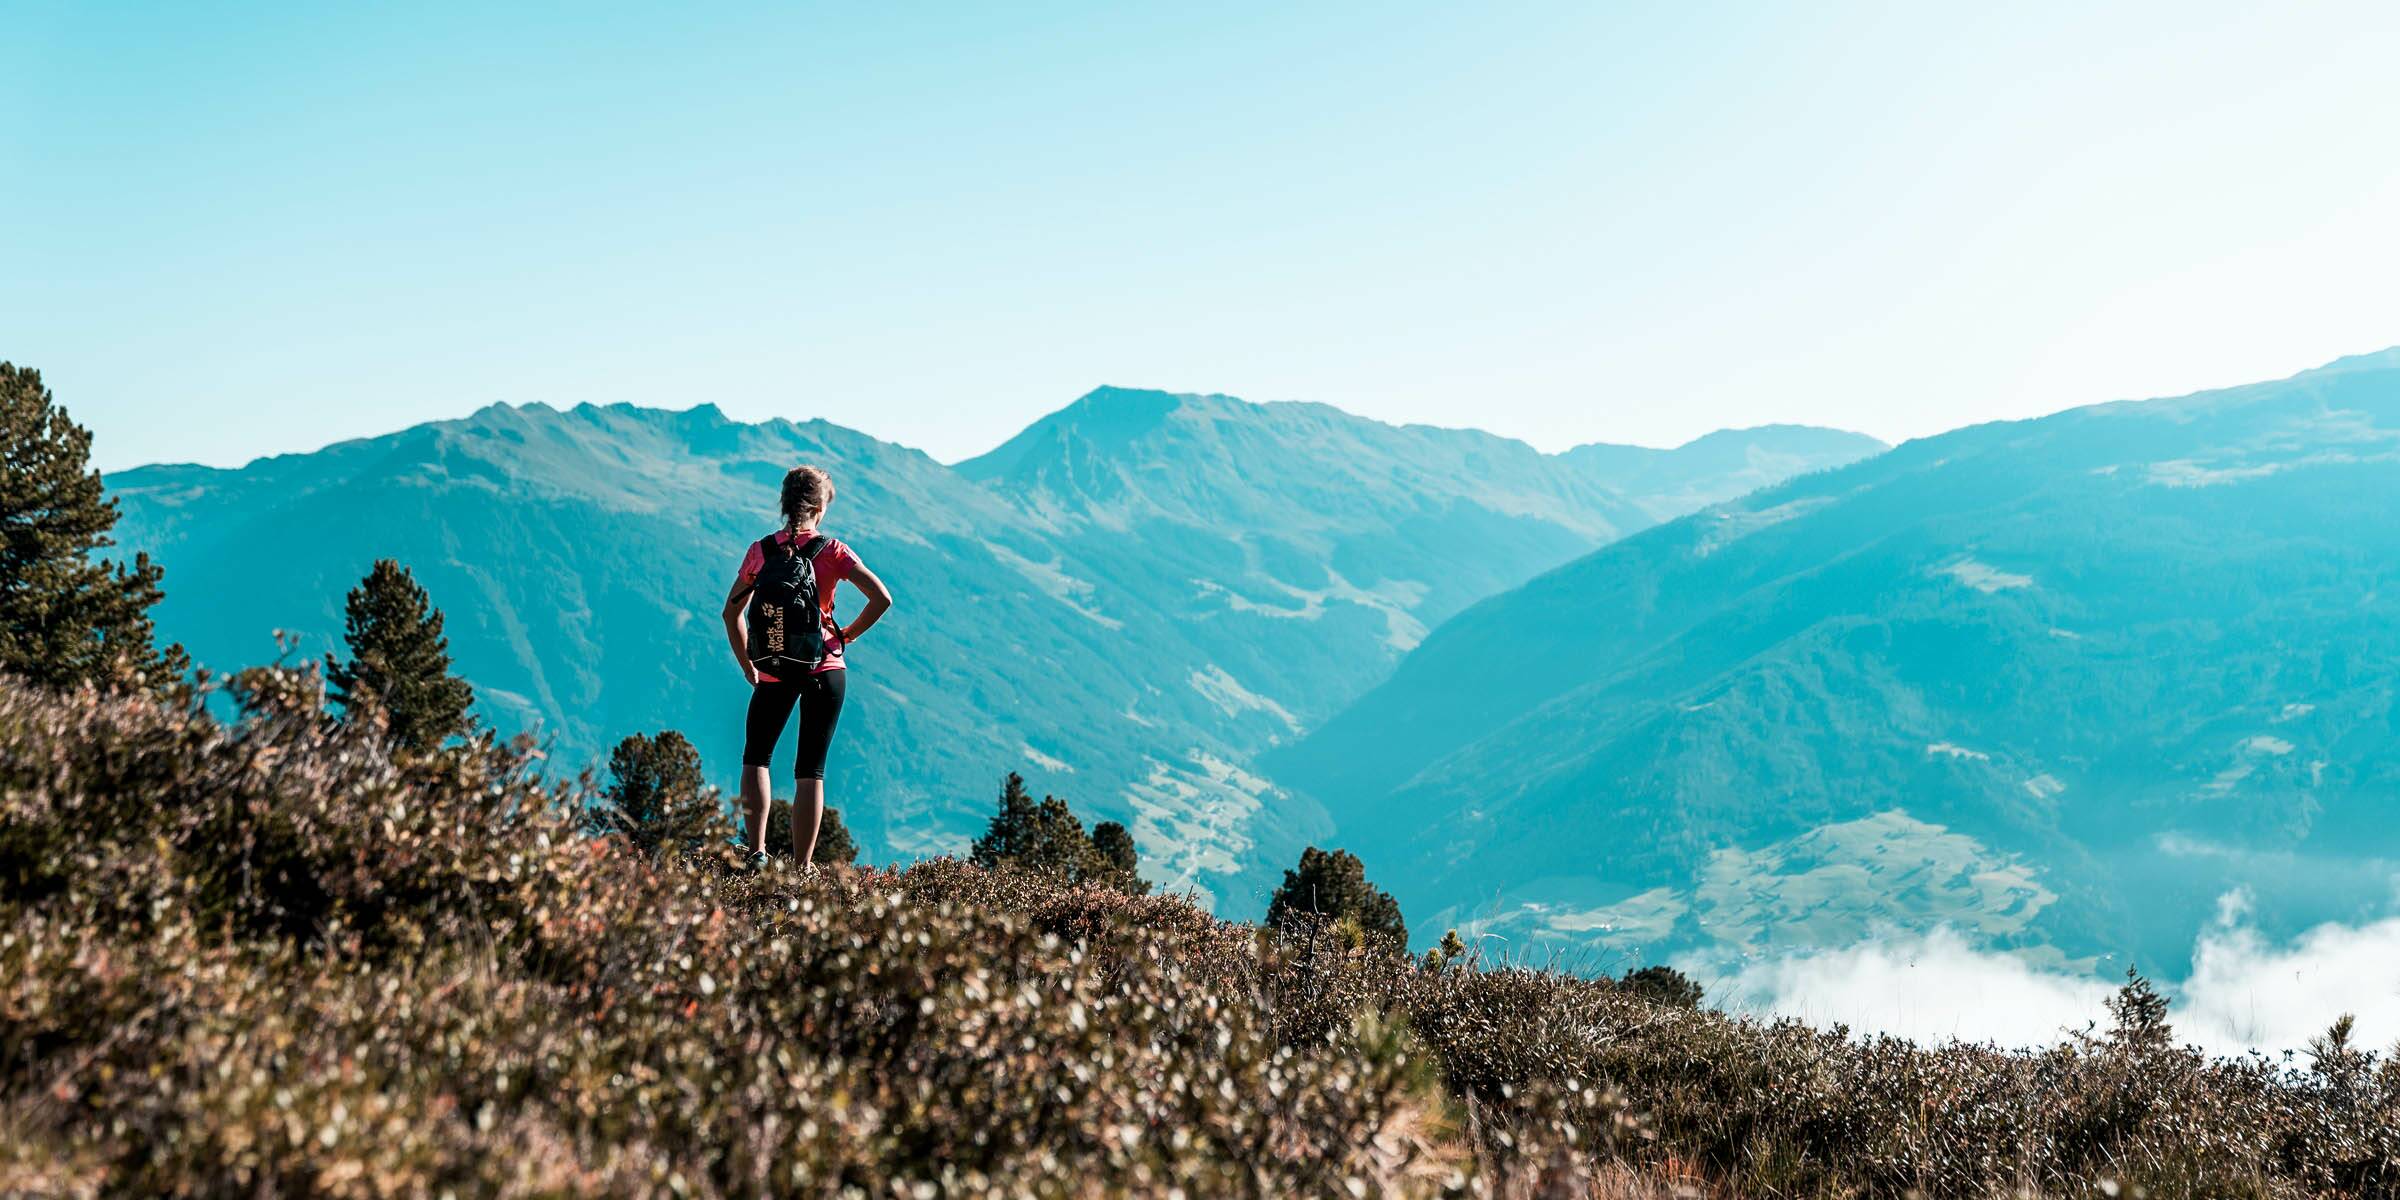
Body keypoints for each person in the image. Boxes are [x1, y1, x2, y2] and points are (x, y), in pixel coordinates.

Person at [720, 465, 892, 868]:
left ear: (784, 505)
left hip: (774, 665)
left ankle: (756, 853)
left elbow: (731, 613)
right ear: (819, 506)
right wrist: (845, 635)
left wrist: (749, 664)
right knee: (810, 770)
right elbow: (881, 599)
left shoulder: (760, 552)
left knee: (756, 757)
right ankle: (802, 869)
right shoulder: (833, 551)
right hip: (824, 665)